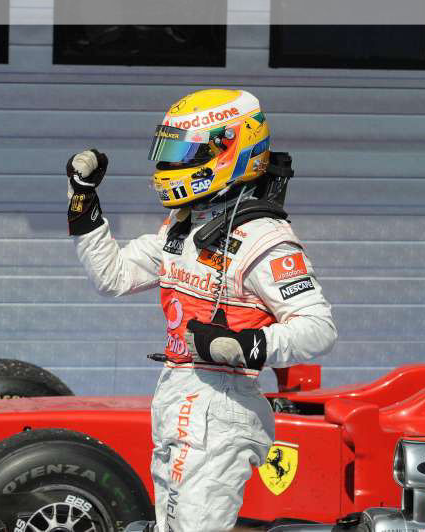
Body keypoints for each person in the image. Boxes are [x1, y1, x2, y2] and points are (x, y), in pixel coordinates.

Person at [66, 89, 337, 532]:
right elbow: (112, 276)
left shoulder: (265, 240)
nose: (168, 165)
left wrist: (242, 345)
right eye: (167, 152)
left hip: (224, 404)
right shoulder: (184, 227)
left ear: (230, 149)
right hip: (177, 392)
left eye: (182, 153)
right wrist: (83, 198)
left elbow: (319, 327)